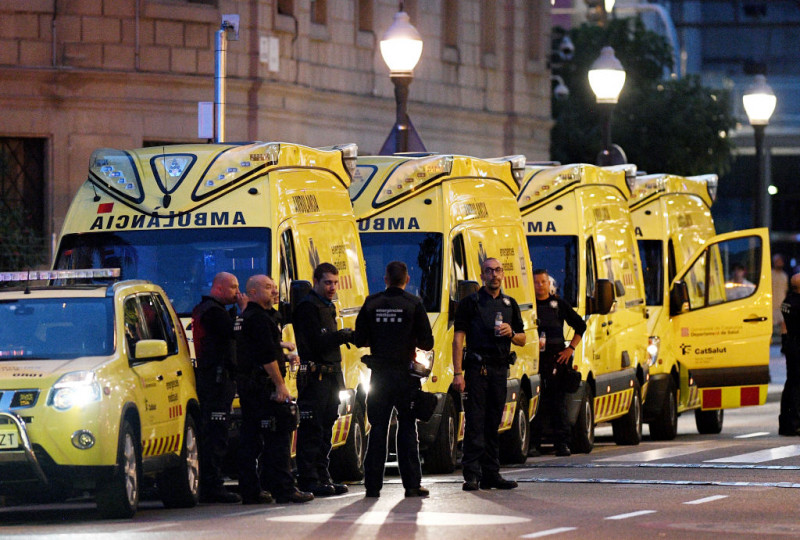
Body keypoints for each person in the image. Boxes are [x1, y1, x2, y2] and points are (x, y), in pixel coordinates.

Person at [353, 261, 434, 498]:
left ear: (385, 278)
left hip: (379, 376)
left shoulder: (371, 303)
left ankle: (372, 486)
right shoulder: (414, 304)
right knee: (408, 428)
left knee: (378, 428)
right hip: (406, 377)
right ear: (406, 279)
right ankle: (411, 485)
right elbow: (427, 343)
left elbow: (359, 339)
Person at [236, 275, 314, 504]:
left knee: (252, 439)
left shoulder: (250, 317)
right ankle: (284, 489)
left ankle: (253, 490)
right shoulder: (258, 318)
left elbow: (263, 347)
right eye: (268, 288)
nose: (274, 291)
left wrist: (285, 354)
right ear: (252, 293)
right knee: (279, 436)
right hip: (262, 388)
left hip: (251, 387)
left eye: (273, 287)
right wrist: (281, 386)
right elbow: (266, 356)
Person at [452, 257, 526, 491]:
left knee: (494, 423)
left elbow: (523, 339)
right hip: (477, 369)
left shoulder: (509, 304)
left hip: (499, 369)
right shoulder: (471, 302)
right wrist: (458, 373)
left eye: (497, 270)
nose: (494, 275)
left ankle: (491, 474)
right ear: (482, 275)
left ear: (503, 274)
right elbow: (458, 339)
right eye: (489, 271)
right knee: (476, 422)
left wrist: (511, 333)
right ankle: (471, 475)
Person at [292, 262, 354, 497]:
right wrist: (342, 335)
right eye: (328, 282)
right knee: (313, 429)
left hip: (329, 375)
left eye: (335, 283)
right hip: (315, 377)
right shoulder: (308, 307)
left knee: (327, 425)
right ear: (316, 281)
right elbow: (317, 343)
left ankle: (322, 475)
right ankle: (309, 478)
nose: (332, 287)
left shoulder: (326, 306)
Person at [191, 272, 247, 503]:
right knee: (215, 434)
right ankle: (212, 485)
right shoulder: (213, 312)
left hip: (215, 379)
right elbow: (236, 332)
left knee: (216, 433)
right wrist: (244, 311)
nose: (237, 292)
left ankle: (212, 482)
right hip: (215, 381)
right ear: (219, 288)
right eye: (233, 287)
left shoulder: (210, 310)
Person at [530, 269, 586, 457]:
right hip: (535, 359)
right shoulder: (528, 307)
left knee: (557, 403)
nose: (540, 285)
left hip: (556, 359)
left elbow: (580, 325)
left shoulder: (558, 305)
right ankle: (533, 444)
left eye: (543, 282)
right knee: (537, 403)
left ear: (549, 283)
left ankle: (562, 443)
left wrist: (570, 349)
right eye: (536, 282)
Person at [779, 273, 800, 436]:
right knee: (796, 386)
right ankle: (795, 423)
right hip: (797, 346)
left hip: (791, 345)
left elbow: (784, 325)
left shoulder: (787, 301)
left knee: (791, 384)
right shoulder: (798, 303)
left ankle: (786, 423)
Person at [773, 254, 789, 339]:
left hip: (781, 305)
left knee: (784, 325)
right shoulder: (770, 274)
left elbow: (785, 290)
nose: (778, 263)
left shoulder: (784, 276)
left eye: (780, 261)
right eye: (776, 261)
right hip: (771, 306)